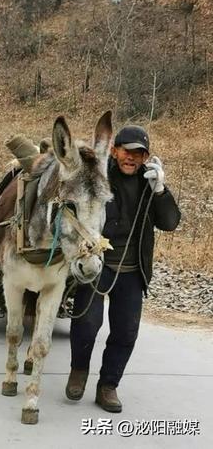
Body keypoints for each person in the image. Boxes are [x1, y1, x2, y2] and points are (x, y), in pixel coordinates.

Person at [65, 125, 181, 412]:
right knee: (87, 324)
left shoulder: (149, 184)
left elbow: (169, 222)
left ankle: (108, 386)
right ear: (115, 151)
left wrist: (161, 191)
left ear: (146, 157)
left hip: (132, 270)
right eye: (126, 151)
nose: (131, 158)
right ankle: (79, 370)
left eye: (138, 153)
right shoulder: (98, 177)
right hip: (98, 263)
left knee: (126, 332)